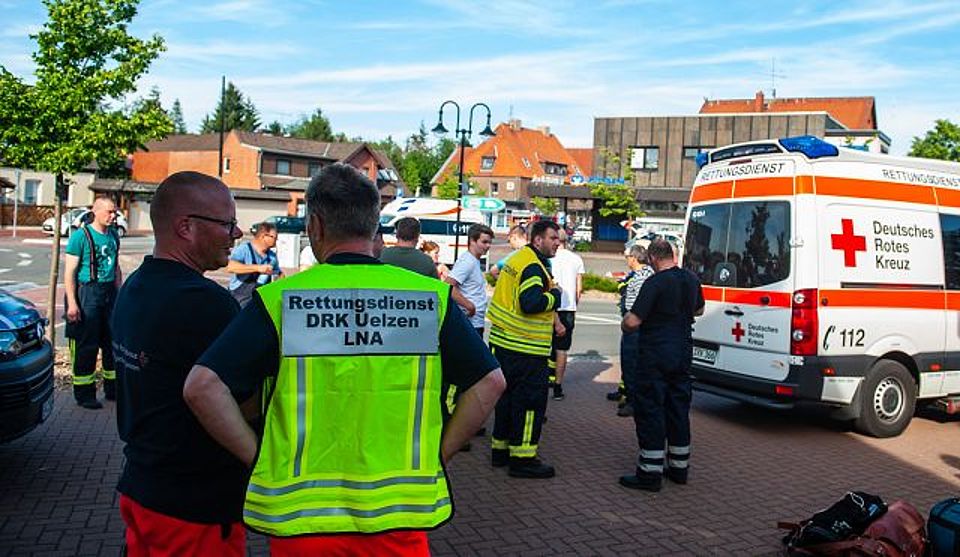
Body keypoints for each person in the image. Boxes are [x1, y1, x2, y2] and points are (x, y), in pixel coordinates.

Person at [183, 163, 506, 556]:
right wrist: (439, 455)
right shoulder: (429, 299)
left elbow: (202, 387)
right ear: (373, 226)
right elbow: (490, 382)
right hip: (398, 522)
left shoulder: (280, 300)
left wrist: (259, 458)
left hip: (305, 526)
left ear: (315, 226)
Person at [112, 171, 249, 556]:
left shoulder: (136, 286)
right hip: (195, 507)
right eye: (227, 224)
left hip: (143, 488)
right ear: (185, 227)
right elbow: (247, 399)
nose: (237, 234)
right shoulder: (206, 303)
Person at [619, 239, 704, 492]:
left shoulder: (654, 282)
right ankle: (679, 468)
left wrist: (625, 322)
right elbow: (699, 310)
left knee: (650, 409)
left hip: (655, 354)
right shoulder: (691, 279)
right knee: (678, 409)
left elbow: (633, 322)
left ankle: (649, 473)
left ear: (654, 258)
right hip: (683, 352)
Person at [488, 219, 562, 479]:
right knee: (530, 404)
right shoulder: (533, 266)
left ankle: (500, 451)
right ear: (538, 240)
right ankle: (523, 460)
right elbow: (529, 303)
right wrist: (555, 296)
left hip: (504, 343)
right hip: (526, 348)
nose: (557, 243)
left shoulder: (518, 259)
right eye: (553, 238)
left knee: (506, 401)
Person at [64, 196, 122, 409]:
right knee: (87, 345)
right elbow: (69, 272)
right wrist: (72, 303)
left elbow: (116, 267)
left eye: (115, 212)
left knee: (112, 343)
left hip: (109, 293)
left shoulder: (113, 235)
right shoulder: (80, 237)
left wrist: (119, 293)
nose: (113, 216)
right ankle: (85, 394)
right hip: (88, 292)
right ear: (95, 212)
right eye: (109, 212)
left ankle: (113, 390)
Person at [613, 244, 656, 417]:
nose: (627, 260)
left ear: (634, 258)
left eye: (627, 257)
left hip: (635, 326)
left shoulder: (642, 277)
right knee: (630, 363)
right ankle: (628, 395)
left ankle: (633, 402)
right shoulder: (642, 274)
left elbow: (639, 305)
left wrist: (630, 321)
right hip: (634, 325)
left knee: (631, 363)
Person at [548, 229, 584, 401]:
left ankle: (544, 378)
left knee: (544, 345)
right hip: (568, 309)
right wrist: (573, 305)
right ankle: (558, 387)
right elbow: (579, 288)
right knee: (562, 349)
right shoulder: (576, 259)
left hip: (549, 307)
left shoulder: (549, 258)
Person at [447, 224, 494, 336]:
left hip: (474, 322)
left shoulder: (473, 260)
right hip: (470, 323)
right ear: (472, 241)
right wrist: (469, 306)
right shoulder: (467, 261)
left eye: (489, 242)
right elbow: (449, 285)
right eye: (484, 242)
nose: (488, 246)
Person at [225, 222, 283, 307]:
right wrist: (258, 268)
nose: (276, 240)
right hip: (239, 297)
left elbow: (278, 274)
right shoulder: (244, 249)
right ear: (263, 236)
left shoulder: (272, 256)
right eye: (274, 237)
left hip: (261, 298)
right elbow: (231, 267)